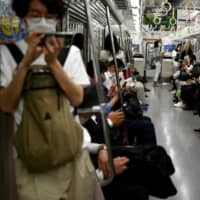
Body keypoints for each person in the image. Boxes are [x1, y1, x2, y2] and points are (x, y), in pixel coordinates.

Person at [0, 0, 98, 199]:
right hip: (33, 161)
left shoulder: (70, 53)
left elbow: (77, 98)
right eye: (35, 15)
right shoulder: (6, 53)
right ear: (23, 18)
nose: (43, 21)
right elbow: (6, 104)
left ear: (58, 19)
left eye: (50, 16)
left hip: (74, 154)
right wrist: (26, 62)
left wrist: (53, 63)